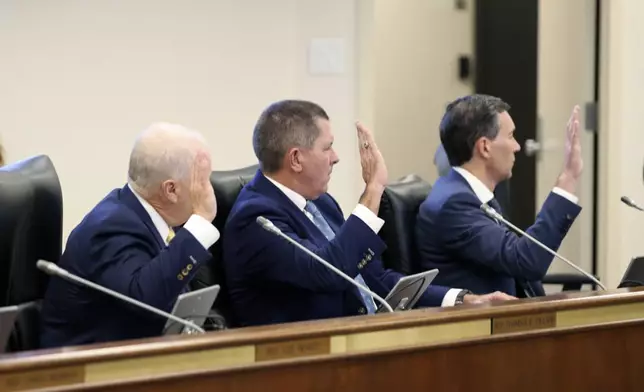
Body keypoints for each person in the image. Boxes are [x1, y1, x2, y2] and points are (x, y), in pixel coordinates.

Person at [222, 100, 514, 327]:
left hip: (361, 344)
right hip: (301, 364)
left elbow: (374, 279)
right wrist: (373, 189)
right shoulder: (257, 219)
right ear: (296, 159)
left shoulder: (321, 203)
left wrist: (463, 300)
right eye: (328, 147)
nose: (335, 157)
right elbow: (327, 272)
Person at [40, 123, 219, 348]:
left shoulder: (146, 216)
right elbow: (145, 301)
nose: (209, 189)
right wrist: (201, 221)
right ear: (171, 190)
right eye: (203, 180)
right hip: (78, 371)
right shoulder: (110, 228)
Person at [416, 94, 583, 297]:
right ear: (485, 147)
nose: (517, 146)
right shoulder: (454, 205)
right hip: (482, 326)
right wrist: (568, 178)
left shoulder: (468, 193)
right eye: (511, 136)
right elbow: (526, 260)